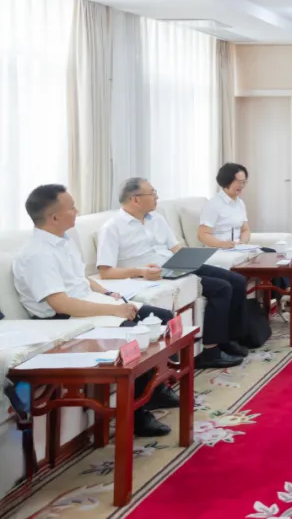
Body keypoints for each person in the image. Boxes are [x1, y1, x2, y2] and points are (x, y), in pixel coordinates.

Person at [13, 185, 177, 437]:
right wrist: (114, 311)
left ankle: (153, 391)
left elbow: (80, 279)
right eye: (72, 208)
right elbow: (61, 303)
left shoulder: (63, 240)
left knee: (163, 318)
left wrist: (108, 294)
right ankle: (136, 415)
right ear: (54, 217)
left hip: (89, 303)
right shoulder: (37, 254)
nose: (77, 211)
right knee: (139, 335)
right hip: (67, 317)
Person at [97, 177, 246, 369]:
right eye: (152, 193)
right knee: (221, 288)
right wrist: (140, 271)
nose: (156, 197)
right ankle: (211, 352)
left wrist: (191, 258)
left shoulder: (157, 218)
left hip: (175, 264)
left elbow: (175, 247)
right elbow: (105, 272)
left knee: (237, 280)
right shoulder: (112, 228)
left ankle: (228, 339)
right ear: (135, 199)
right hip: (155, 274)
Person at [199, 163, 292, 315]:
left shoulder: (239, 203)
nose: (242, 186)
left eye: (244, 182)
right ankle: (285, 296)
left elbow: (245, 229)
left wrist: (243, 242)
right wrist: (223, 244)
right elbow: (202, 235)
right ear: (227, 180)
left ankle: (284, 294)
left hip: (237, 248)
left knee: (272, 254)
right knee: (268, 256)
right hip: (220, 250)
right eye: (239, 181)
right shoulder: (213, 205)